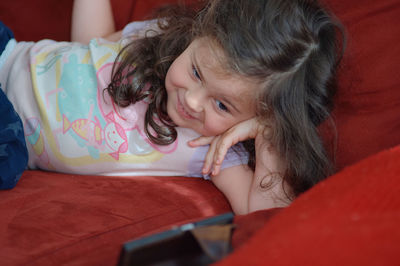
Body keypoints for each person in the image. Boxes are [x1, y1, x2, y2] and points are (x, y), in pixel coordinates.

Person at [0, 0, 344, 214]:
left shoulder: (217, 155)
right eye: (196, 71)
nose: (192, 100)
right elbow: (87, 49)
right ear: (197, 34)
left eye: (222, 105)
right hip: (6, 53)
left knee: (7, 161)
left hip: (7, 130)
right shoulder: (155, 37)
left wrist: (269, 134)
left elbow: (267, 220)